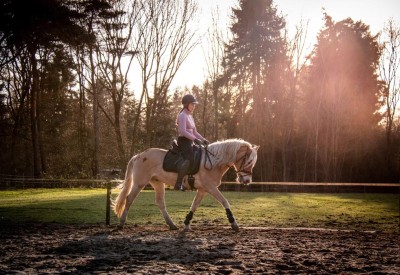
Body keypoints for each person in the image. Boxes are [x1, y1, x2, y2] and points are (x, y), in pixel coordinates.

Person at [174, 94, 209, 191]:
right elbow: (182, 131)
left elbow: (195, 132)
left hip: (190, 140)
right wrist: (195, 139)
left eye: (194, 105)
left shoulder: (190, 116)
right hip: (183, 141)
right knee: (189, 158)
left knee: (200, 155)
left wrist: (203, 140)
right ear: (186, 105)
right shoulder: (182, 115)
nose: (194, 106)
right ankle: (179, 183)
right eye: (192, 104)